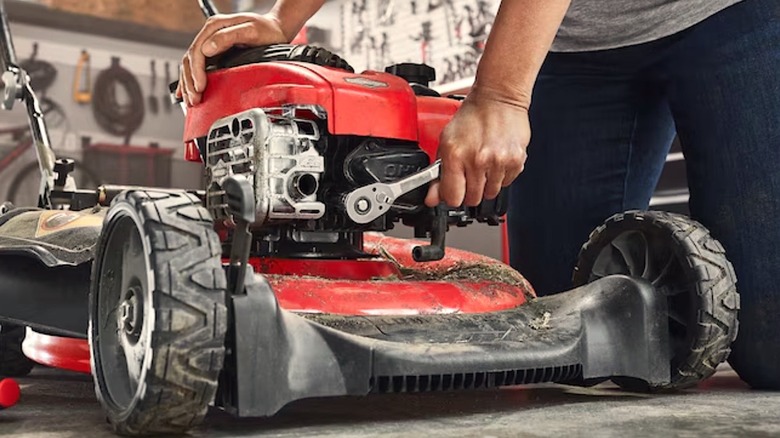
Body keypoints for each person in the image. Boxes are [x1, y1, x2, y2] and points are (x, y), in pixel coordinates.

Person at [178, 0, 780, 389]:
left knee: (769, 349)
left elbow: (501, 99)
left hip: (730, 16)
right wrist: (281, 20)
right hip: (575, 39)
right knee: (562, 331)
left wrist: (501, 96)